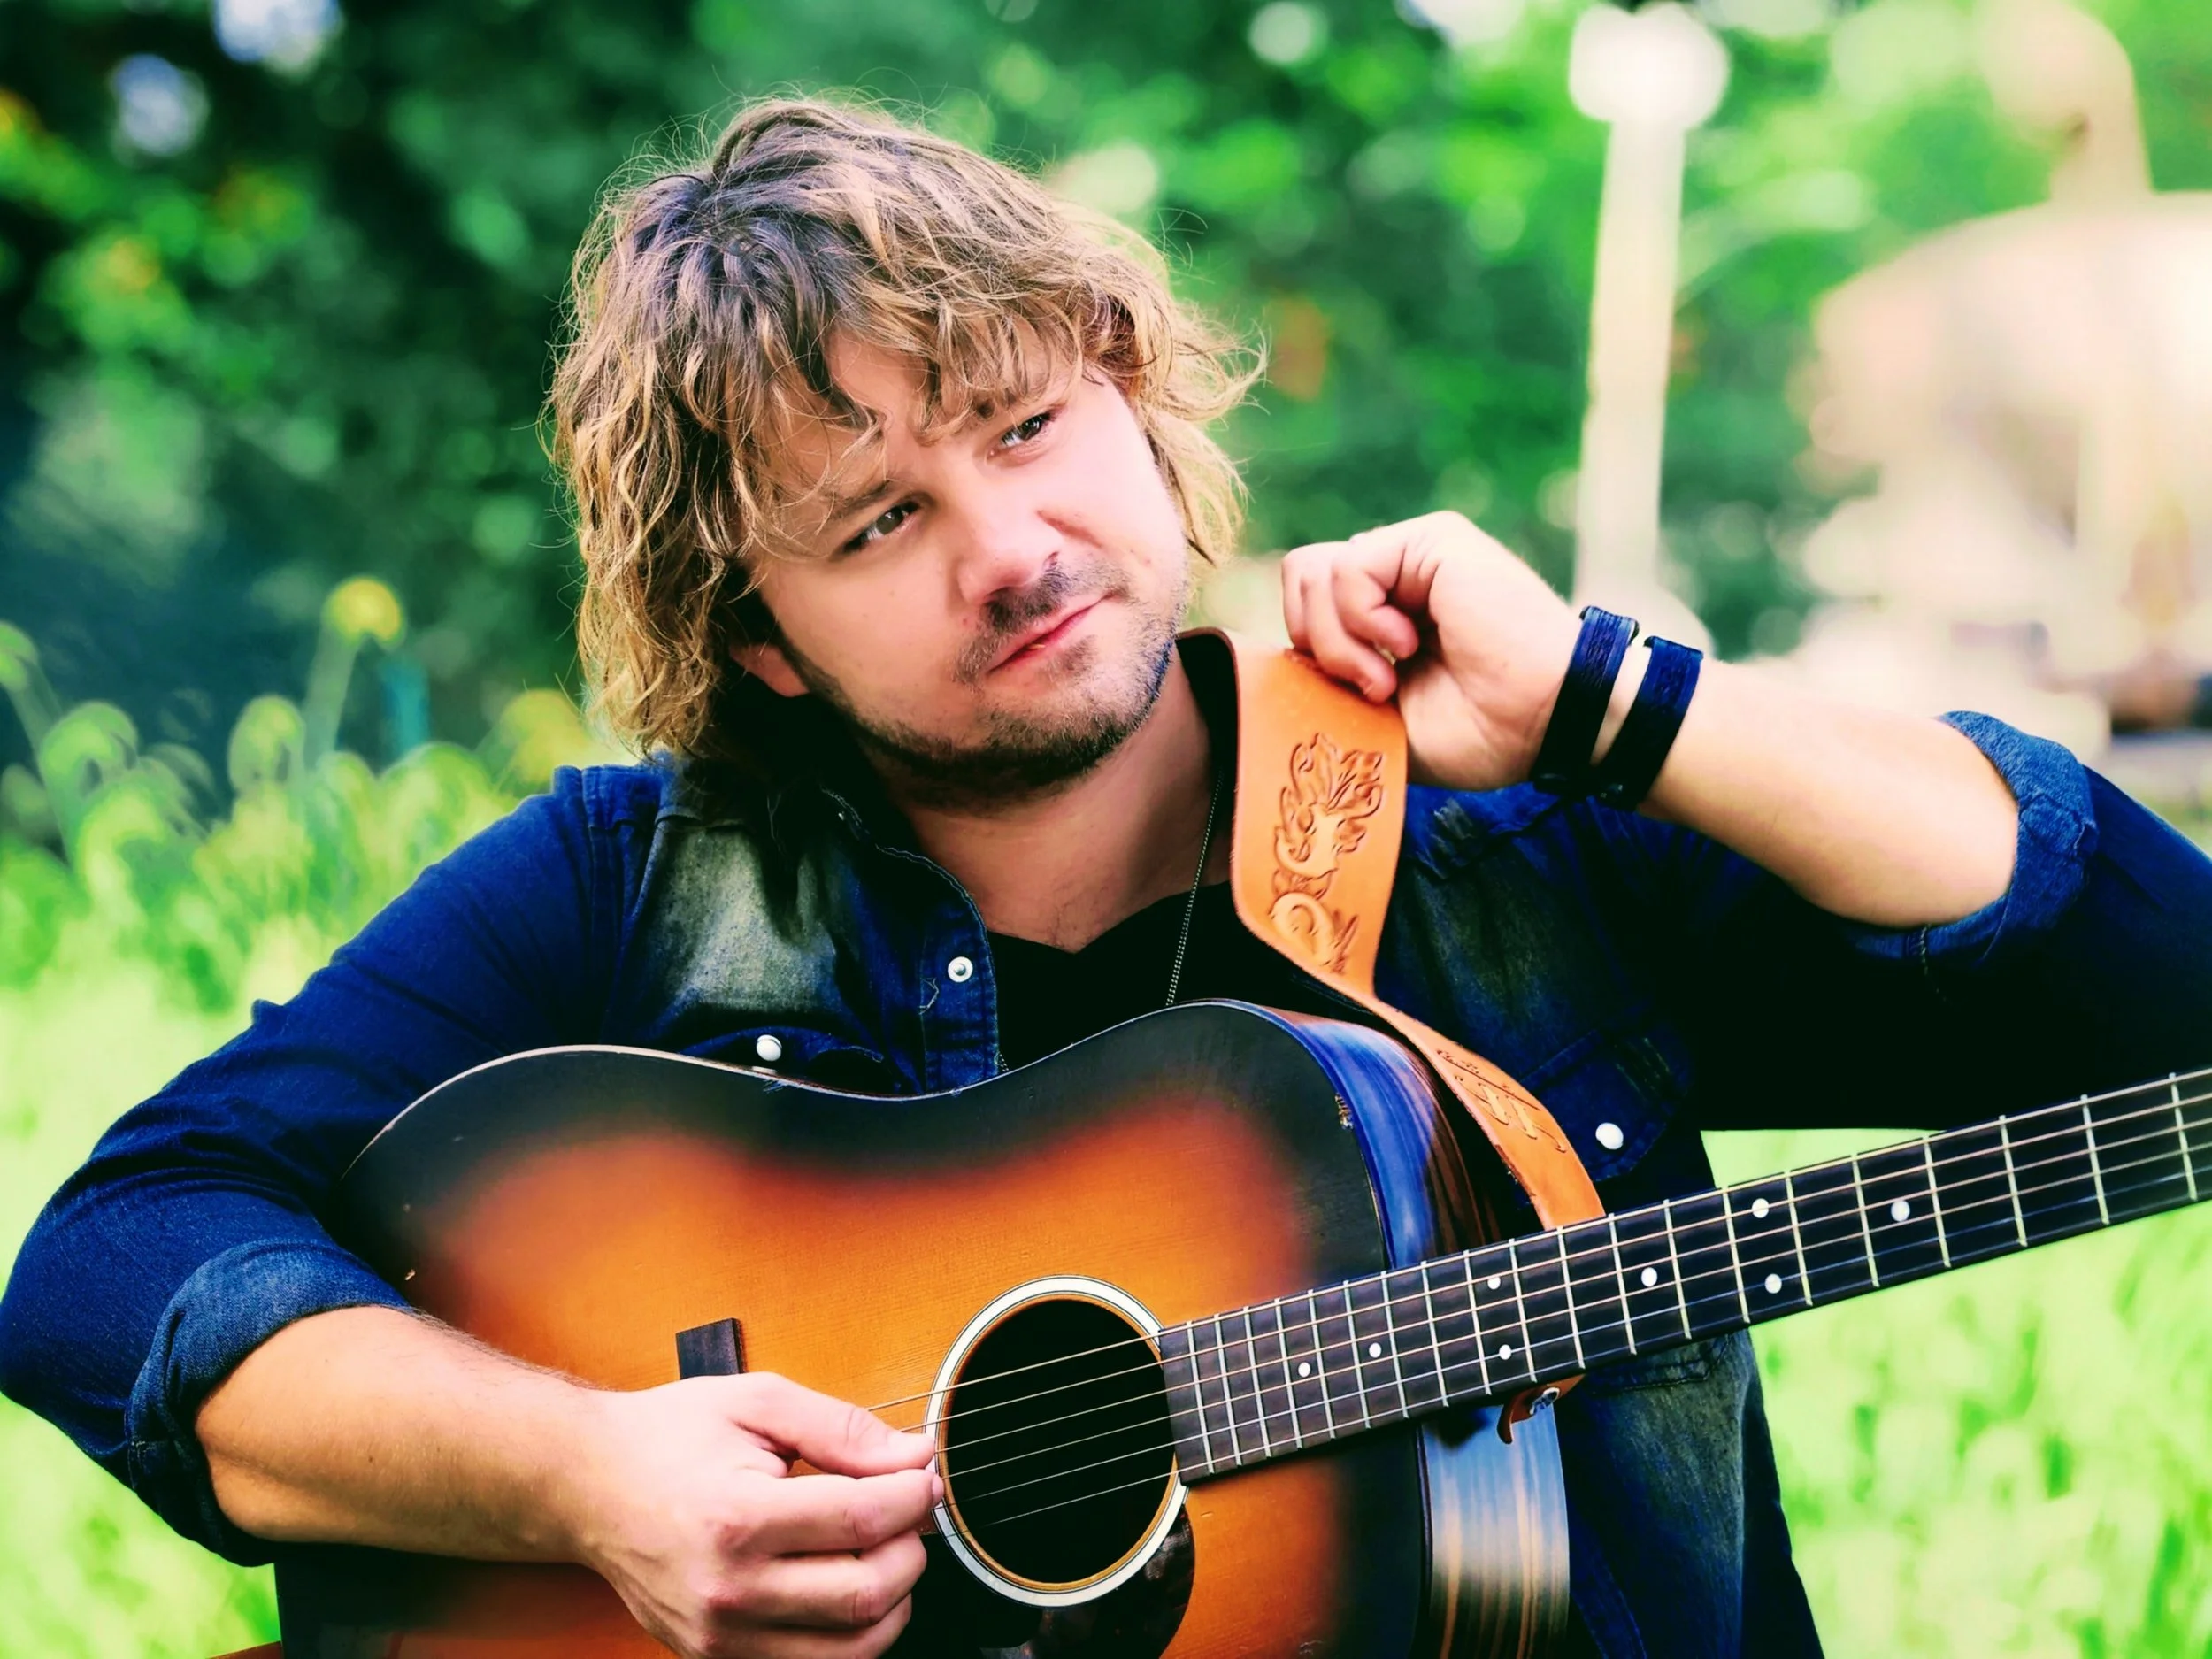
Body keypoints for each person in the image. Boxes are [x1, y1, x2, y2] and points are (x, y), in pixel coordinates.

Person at [4, 94, 2209, 1659]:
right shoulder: (625, 891)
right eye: (874, 523)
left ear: (1134, 404)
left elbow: (2154, 988)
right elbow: (108, 1262)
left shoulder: (1518, 838)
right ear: (759, 633)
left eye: (1027, 426)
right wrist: (586, 1477)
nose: (1010, 550)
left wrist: (1614, 702)